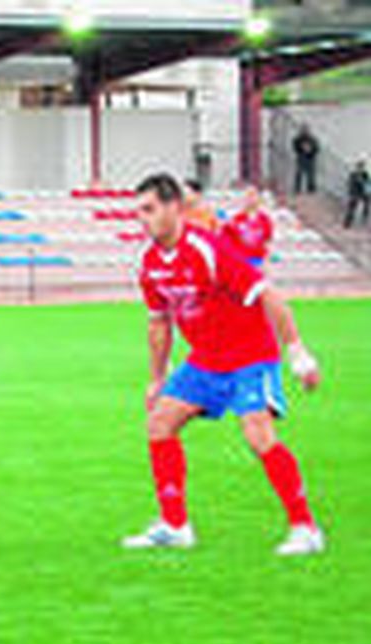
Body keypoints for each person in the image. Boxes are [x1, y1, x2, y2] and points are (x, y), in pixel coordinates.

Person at [123, 173, 325, 557]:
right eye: (139, 211)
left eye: (149, 209)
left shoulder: (207, 248)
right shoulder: (149, 263)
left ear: (173, 208)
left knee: (258, 435)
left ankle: (305, 528)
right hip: (206, 359)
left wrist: (297, 352)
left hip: (250, 355)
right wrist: (156, 378)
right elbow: (159, 322)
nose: (142, 219)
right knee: (160, 423)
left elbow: (267, 293)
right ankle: (175, 526)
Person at [221, 185, 273, 269]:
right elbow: (227, 238)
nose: (250, 199)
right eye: (248, 196)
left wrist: (267, 262)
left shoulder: (264, 219)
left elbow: (268, 242)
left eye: (253, 195)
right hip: (241, 261)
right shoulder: (237, 218)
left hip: (258, 260)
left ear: (258, 198)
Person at [292, 126, 320, 194]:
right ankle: (297, 189)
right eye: (303, 130)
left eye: (306, 130)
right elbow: (295, 147)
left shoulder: (312, 139)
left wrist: (310, 150)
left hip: (310, 158)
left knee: (311, 175)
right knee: (299, 173)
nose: (305, 131)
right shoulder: (298, 139)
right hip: (301, 158)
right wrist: (302, 148)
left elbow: (317, 149)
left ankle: (311, 190)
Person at [346, 161, 370, 228]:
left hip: (362, 192)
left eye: (362, 168)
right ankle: (347, 222)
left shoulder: (365, 175)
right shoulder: (353, 175)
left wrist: (364, 185)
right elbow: (350, 184)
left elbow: (367, 184)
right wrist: (352, 193)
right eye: (359, 168)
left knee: (367, 202)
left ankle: (364, 217)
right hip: (355, 192)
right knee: (352, 206)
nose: (360, 169)